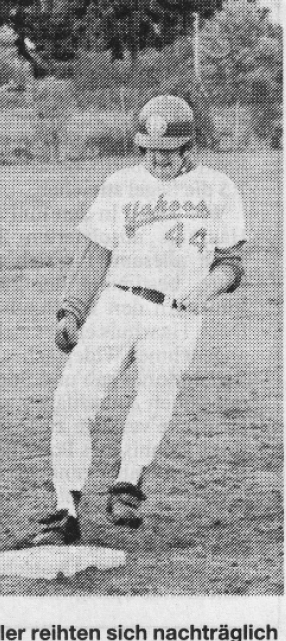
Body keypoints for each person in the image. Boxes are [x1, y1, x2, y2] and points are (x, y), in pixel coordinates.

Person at [17, 95, 247, 546]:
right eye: (149, 150)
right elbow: (94, 255)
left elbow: (231, 262)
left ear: (189, 148)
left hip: (176, 312)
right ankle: (66, 509)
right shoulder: (121, 185)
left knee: (156, 392)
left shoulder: (218, 188)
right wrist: (72, 309)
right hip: (118, 302)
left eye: (168, 151)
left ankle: (127, 483)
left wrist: (206, 289)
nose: (157, 159)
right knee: (72, 398)